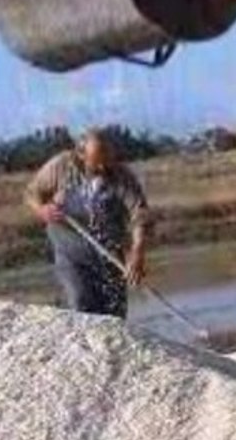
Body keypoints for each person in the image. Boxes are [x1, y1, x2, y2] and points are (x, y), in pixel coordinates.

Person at [25, 128, 150, 318]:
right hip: (70, 252)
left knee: (114, 315)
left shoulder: (121, 174)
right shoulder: (60, 166)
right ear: (81, 155)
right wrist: (42, 210)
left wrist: (137, 252)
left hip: (110, 254)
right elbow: (32, 193)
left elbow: (139, 213)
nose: (103, 168)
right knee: (81, 304)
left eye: (107, 160)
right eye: (96, 162)